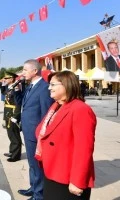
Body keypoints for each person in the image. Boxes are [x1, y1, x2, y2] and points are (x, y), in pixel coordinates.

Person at [35, 71, 96, 200]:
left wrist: (77, 181)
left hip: (67, 175)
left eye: (52, 84)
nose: (49, 88)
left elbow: (84, 149)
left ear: (66, 85)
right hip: (52, 169)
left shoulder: (80, 109)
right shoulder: (56, 106)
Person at [15, 59, 54, 200]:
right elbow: (23, 105)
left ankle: (39, 195)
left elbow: (46, 114)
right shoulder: (30, 86)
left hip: (36, 133)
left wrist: (42, 135)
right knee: (32, 163)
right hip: (27, 130)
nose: (22, 73)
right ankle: (33, 187)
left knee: (37, 166)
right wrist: (17, 92)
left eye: (25, 70)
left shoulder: (44, 88)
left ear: (35, 71)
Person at [0, 72, 22, 162]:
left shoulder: (16, 88)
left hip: (13, 113)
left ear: (12, 79)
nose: (4, 79)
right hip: (7, 112)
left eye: (6, 78)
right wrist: (3, 84)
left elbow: (18, 103)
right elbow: (3, 92)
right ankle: (12, 151)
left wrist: (16, 116)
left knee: (14, 134)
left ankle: (16, 155)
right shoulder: (10, 87)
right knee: (10, 133)